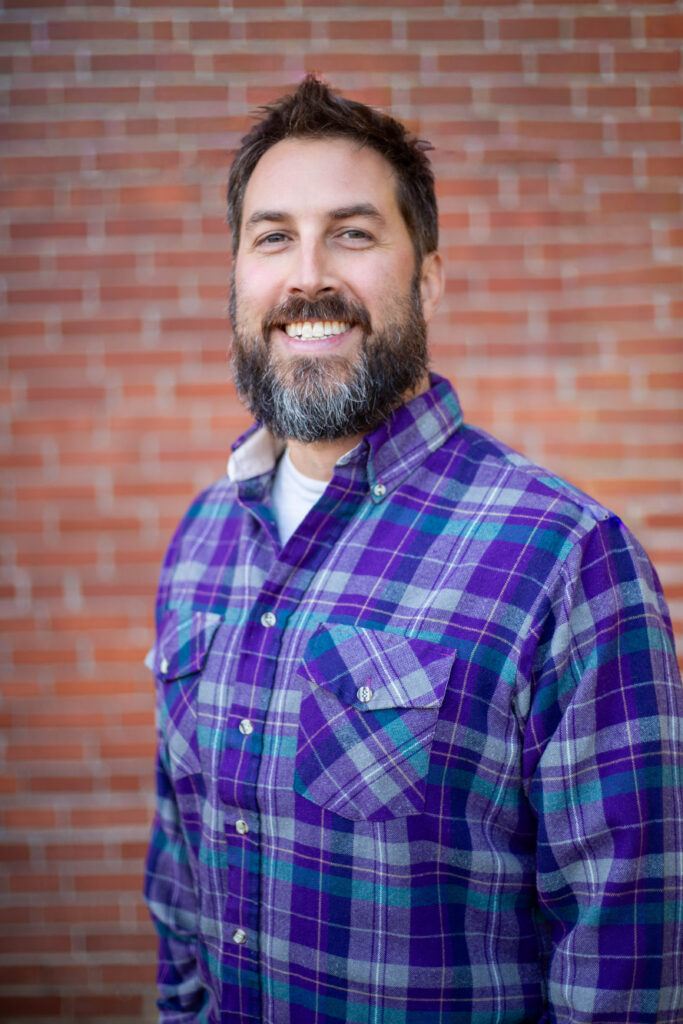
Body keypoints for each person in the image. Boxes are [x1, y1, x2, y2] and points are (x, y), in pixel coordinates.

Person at [144, 75, 683, 1024]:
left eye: (351, 233)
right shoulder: (199, 546)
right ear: (237, 276)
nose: (308, 275)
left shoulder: (565, 559)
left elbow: (626, 953)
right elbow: (182, 874)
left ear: (426, 275)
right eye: (273, 237)